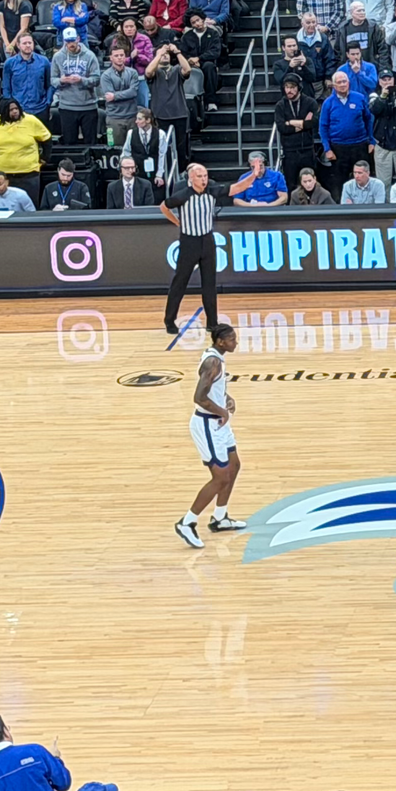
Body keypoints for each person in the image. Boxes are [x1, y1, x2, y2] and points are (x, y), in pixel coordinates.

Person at [177, 323, 243, 549]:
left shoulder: (217, 358)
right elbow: (199, 397)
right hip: (207, 424)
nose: (236, 342)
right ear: (220, 342)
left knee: (234, 466)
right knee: (220, 477)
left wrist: (226, 397)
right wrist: (222, 410)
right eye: (232, 339)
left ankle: (220, 517)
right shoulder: (212, 362)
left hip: (219, 423)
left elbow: (213, 390)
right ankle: (187, 522)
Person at [161, 163, 231, 338]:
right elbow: (164, 206)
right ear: (191, 178)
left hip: (207, 240)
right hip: (189, 241)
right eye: (200, 176)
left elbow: (236, 188)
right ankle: (169, 320)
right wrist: (177, 222)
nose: (204, 179)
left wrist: (253, 175)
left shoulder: (212, 192)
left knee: (209, 283)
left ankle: (212, 322)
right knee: (180, 282)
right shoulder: (183, 195)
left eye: (205, 176)